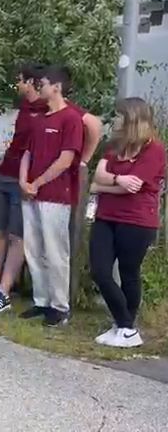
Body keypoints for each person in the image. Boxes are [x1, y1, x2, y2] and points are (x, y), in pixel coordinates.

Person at [88, 98, 165, 348]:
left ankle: (125, 326)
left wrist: (108, 184)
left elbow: (135, 188)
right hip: (106, 217)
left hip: (137, 220)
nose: (116, 121)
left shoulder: (154, 150)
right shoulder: (114, 146)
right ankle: (125, 325)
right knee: (100, 270)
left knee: (128, 272)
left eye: (120, 116)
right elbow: (97, 177)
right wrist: (118, 179)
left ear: (133, 119)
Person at [19, 65, 83, 327]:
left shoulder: (71, 119)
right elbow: (27, 153)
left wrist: (38, 181)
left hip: (55, 195)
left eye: (43, 83)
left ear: (56, 86)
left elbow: (66, 159)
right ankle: (41, 300)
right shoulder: (41, 119)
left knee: (56, 251)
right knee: (33, 248)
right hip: (31, 193)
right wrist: (24, 180)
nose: (40, 87)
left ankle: (60, 305)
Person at [0, 65, 46, 313]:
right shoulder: (24, 108)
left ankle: (3, 292)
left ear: (31, 82)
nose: (16, 85)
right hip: (4, 174)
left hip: (24, 180)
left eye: (19, 81)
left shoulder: (47, 109)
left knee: (16, 237)